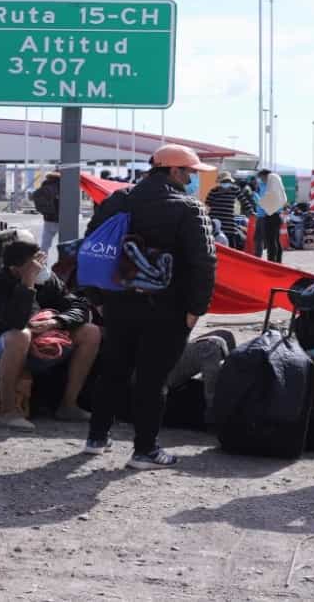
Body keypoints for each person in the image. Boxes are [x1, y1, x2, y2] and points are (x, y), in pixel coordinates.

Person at [83, 144, 217, 470]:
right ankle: (145, 451)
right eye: (189, 172)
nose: (192, 178)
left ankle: (96, 438)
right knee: (152, 378)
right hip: (167, 308)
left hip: (118, 302)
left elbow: (92, 247)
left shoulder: (119, 200)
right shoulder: (189, 209)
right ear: (173, 171)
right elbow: (205, 263)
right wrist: (196, 308)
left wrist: (96, 297)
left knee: (113, 369)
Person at [0, 232, 101, 431]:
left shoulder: (47, 280)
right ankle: (8, 411)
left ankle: (68, 405)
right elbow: (17, 322)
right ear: (16, 267)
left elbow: (78, 307)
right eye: (35, 264)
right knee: (20, 336)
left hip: (42, 344)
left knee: (91, 332)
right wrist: (27, 284)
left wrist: (57, 322)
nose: (41, 268)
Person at [204, 171, 255, 249]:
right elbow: (207, 203)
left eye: (227, 181)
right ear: (220, 182)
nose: (226, 183)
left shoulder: (235, 189)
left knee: (231, 247)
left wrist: (251, 212)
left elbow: (244, 201)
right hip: (216, 224)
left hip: (229, 224)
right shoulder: (214, 191)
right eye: (224, 181)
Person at [253, 169, 285, 262]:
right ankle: (277, 262)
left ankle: (272, 262)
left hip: (271, 215)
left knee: (271, 242)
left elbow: (266, 202)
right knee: (274, 240)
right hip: (269, 215)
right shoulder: (264, 186)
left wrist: (256, 198)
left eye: (262, 177)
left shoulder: (271, 187)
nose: (261, 179)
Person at [31, 171, 61, 256]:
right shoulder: (62, 186)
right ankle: (63, 265)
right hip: (62, 219)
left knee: (45, 245)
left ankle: (42, 266)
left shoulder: (44, 186)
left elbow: (34, 195)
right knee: (64, 244)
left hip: (48, 218)